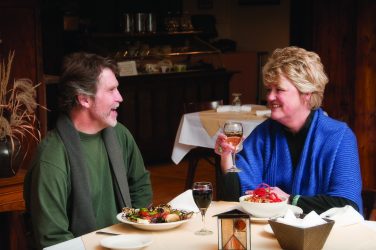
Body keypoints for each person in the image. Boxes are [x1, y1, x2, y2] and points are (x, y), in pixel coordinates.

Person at [24, 52, 153, 249]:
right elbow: (53, 238)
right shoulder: (51, 158)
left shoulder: (120, 134)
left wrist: (133, 234)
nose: (120, 97)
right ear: (84, 99)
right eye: (111, 90)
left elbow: (141, 186)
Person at [215, 46, 363, 215]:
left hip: (325, 236)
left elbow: (347, 205)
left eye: (279, 89)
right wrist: (227, 157)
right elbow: (236, 197)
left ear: (306, 93)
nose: (270, 97)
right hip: (268, 233)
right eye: (269, 89)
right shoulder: (263, 134)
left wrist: (290, 200)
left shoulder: (339, 137)